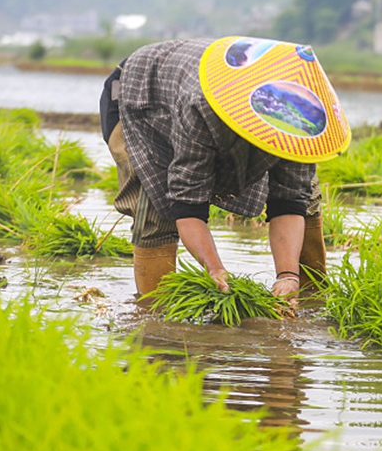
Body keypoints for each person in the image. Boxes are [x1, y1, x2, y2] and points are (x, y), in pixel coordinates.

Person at [99, 36, 351, 307]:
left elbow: (289, 200)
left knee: (305, 195)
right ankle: (156, 320)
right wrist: (215, 268)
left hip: (198, 89)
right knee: (155, 205)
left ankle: (308, 303)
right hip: (142, 96)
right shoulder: (202, 106)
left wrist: (288, 274)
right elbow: (187, 203)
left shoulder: (301, 120)